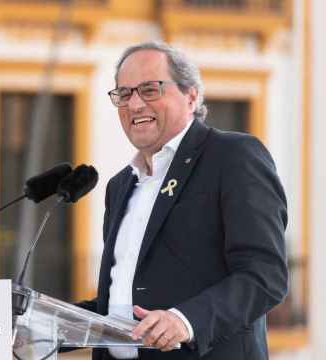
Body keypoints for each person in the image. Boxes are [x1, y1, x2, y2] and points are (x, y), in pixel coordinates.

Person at [74, 42, 288, 360]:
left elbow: (264, 275)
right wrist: (36, 321)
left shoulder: (232, 157)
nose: (134, 105)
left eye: (149, 90)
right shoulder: (119, 186)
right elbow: (118, 303)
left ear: (190, 96)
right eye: (124, 93)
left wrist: (185, 321)